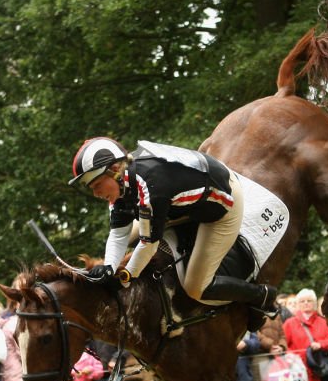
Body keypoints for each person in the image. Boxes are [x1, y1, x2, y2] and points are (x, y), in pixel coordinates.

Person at [68, 137, 277, 326]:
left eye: (97, 185)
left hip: (222, 206)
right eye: (91, 188)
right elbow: (119, 234)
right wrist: (108, 267)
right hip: (178, 206)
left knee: (196, 287)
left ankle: (261, 296)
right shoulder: (122, 184)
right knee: (130, 233)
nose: (96, 193)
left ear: (115, 168)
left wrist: (124, 277)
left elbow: (148, 245)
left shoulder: (150, 186)